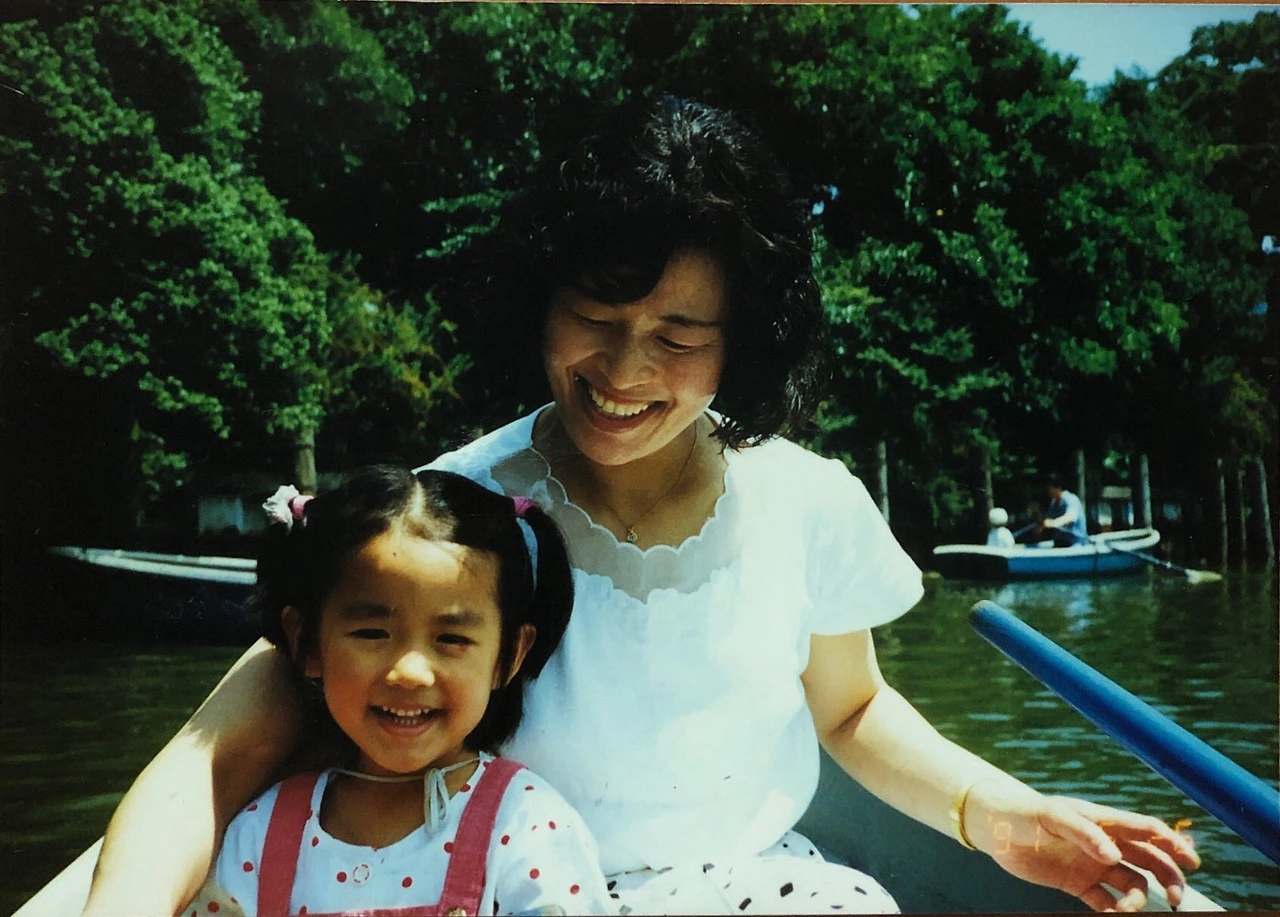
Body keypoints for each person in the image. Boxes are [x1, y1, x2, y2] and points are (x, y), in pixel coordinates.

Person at [82, 97, 1198, 916]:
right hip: (506, 891)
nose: (624, 372)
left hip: (764, 891)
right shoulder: (451, 516)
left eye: (678, 335)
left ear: (743, 340)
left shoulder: (808, 498)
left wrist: (999, 815)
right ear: (540, 301)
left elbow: (851, 709)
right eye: (596, 316)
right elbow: (216, 754)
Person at [186, 468, 612, 916]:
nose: (410, 673)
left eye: (451, 639)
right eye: (372, 633)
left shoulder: (526, 828)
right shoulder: (259, 834)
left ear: (510, 655)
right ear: (307, 643)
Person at [1039, 473, 1089, 547]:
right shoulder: (1054, 503)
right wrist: (1041, 525)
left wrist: (1053, 523)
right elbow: (1048, 520)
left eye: (1049, 489)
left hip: (1076, 543)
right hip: (1061, 542)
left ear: (1058, 487)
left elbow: (1069, 518)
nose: (1048, 492)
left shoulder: (1071, 499)